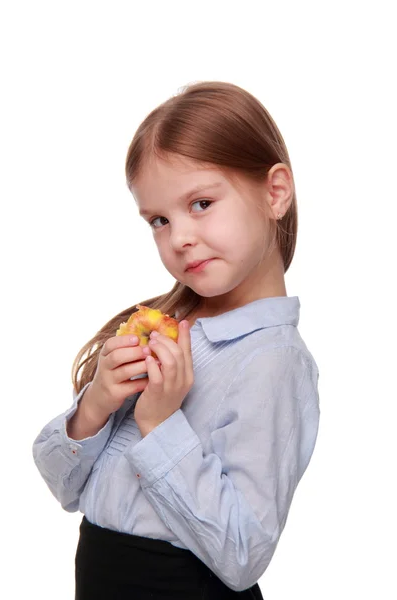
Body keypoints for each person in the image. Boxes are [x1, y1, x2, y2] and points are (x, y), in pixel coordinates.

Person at [33, 81, 320, 599]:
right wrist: (96, 404)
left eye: (202, 203)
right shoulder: (170, 325)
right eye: (159, 220)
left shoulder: (272, 361)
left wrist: (162, 423)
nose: (179, 237)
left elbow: (242, 555)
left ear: (275, 193)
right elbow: (64, 487)